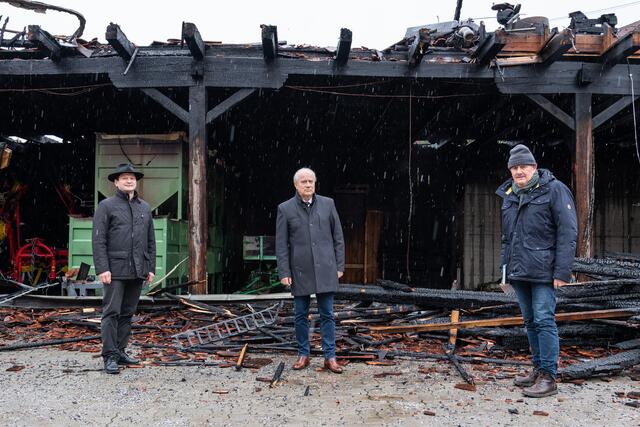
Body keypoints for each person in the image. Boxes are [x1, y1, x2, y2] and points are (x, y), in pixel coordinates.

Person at [496, 144, 577, 397]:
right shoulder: (510, 195)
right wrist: (504, 273)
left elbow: (568, 232)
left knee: (544, 321)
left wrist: (562, 272)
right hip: (519, 271)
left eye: (524, 167)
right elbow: (507, 238)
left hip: (544, 272)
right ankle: (537, 369)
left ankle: (549, 377)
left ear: (535, 168)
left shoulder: (555, 190)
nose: (519, 171)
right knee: (530, 322)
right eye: (515, 167)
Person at [276, 168, 345, 373]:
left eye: (311, 181)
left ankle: (330, 357)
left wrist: (339, 266)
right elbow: (281, 245)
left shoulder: (328, 204)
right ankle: (303, 354)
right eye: (304, 181)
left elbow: (338, 238)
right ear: (296, 185)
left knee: (328, 314)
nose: (308, 185)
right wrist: (284, 272)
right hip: (300, 270)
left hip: (326, 268)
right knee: (300, 315)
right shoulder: (285, 209)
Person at [93, 163, 156, 374]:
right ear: (116, 182)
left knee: (127, 313)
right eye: (124, 178)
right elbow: (99, 240)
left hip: (138, 270)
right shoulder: (107, 206)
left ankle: (120, 351)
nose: (129, 180)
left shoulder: (144, 208)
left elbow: (150, 241)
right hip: (115, 269)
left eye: (132, 178)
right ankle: (109, 356)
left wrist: (150, 268)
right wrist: (103, 268)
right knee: (111, 312)